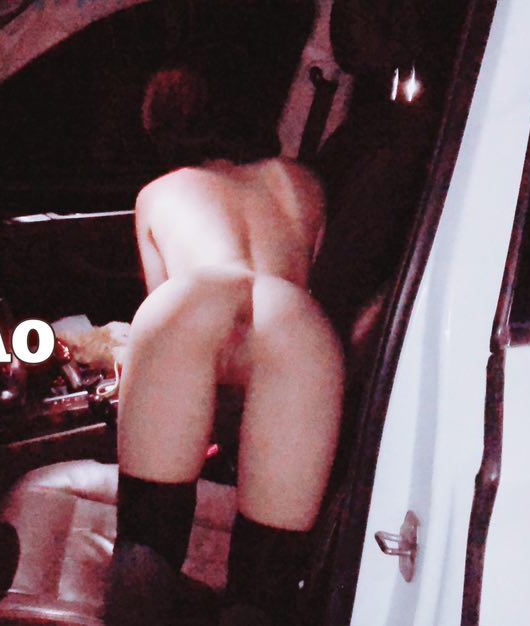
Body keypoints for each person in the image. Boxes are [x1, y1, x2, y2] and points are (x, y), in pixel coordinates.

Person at [105, 66, 344, 625]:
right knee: (266, 584)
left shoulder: (157, 193)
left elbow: (164, 307)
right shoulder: (304, 183)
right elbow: (303, 274)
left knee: (146, 546)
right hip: (292, 318)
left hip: (191, 301)